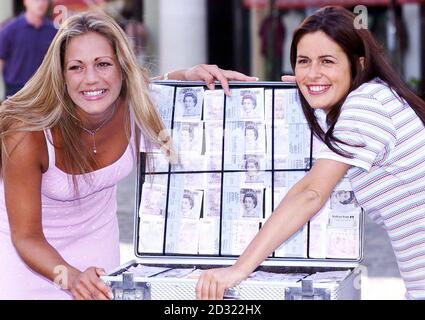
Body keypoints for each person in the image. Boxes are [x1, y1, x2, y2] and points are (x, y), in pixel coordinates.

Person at [0, 11, 257, 300]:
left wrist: (186, 75)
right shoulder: (27, 133)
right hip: (29, 261)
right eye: (76, 67)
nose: (91, 79)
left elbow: (151, 86)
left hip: (99, 252)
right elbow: (26, 237)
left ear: (121, 67)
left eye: (103, 64)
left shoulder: (133, 108)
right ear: (60, 75)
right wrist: (70, 278)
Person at [196, 6, 425, 300]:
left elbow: (311, 193)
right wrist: (317, 88)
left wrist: (238, 270)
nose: (312, 72)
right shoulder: (375, 95)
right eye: (303, 62)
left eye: (327, 61)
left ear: (359, 63)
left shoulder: (365, 106)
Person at [0, 0, 57, 98]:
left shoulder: (53, 32)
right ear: (25, 2)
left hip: (42, 91)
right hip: (15, 92)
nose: (40, 3)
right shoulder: (10, 29)